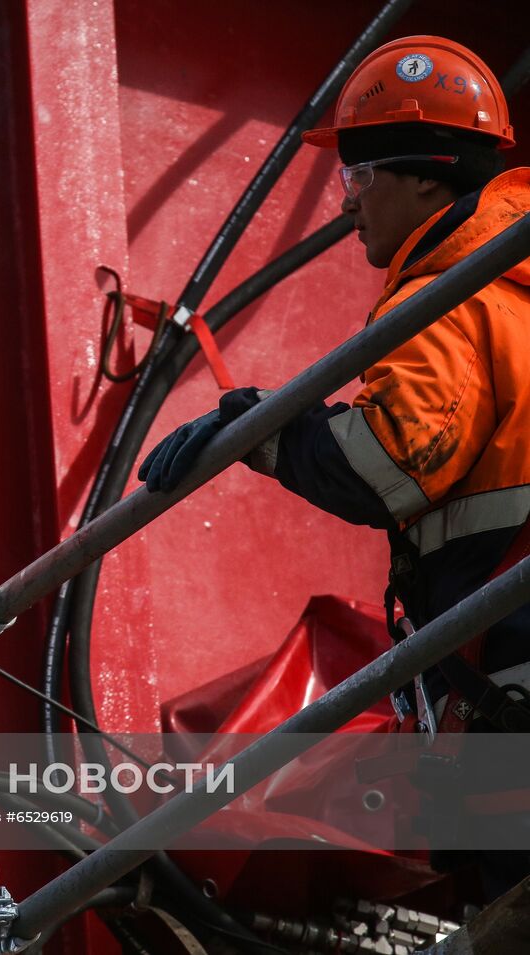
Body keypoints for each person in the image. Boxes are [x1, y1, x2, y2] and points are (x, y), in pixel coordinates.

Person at [139, 35, 529, 894]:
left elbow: (388, 463)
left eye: (358, 179)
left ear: (425, 176)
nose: (348, 207)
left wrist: (258, 432)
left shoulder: (451, 295)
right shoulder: (510, 285)